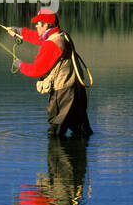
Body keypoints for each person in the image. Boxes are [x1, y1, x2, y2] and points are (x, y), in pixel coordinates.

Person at [6, 9, 93, 138]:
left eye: (38, 24)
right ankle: (78, 154)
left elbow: (37, 70)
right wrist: (20, 31)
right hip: (76, 89)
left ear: (46, 25)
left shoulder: (52, 44)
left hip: (63, 92)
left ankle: (58, 156)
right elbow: (39, 38)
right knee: (82, 129)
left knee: (55, 133)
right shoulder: (61, 35)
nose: (36, 26)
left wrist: (20, 65)